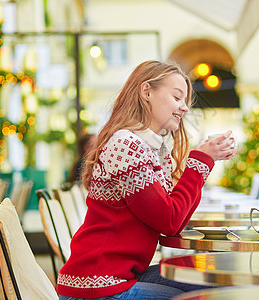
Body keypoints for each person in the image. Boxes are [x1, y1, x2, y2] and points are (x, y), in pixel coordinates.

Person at [57, 60, 236, 300]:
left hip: (121, 276)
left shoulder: (150, 148)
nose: (184, 108)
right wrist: (200, 162)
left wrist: (203, 163)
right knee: (210, 294)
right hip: (96, 285)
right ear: (147, 91)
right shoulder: (126, 145)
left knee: (218, 284)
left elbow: (176, 218)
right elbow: (169, 221)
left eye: (185, 101)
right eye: (177, 97)